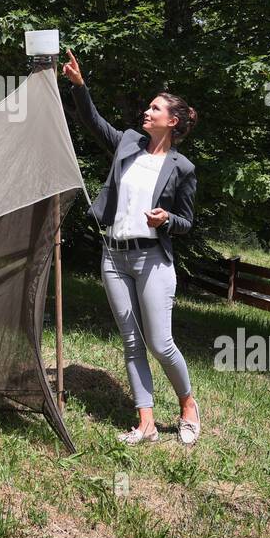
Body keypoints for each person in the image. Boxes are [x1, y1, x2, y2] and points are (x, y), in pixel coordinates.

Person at [61, 49, 202, 447]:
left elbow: (187, 222)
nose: (147, 111)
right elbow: (93, 122)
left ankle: (188, 404)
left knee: (160, 342)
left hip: (153, 258)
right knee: (132, 342)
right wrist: (79, 87)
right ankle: (147, 423)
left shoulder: (182, 168)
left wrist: (167, 221)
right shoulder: (127, 143)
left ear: (171, 121)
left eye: (155, 109)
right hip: (114, 256)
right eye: (148, 107)